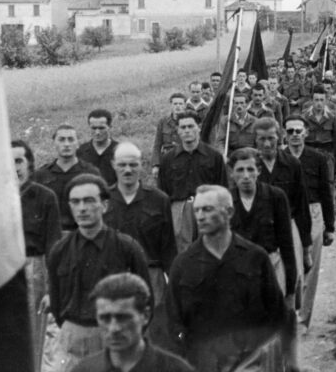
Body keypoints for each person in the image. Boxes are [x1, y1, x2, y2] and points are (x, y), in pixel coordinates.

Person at [166, 185, 286, 372]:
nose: (200, 216)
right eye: (196, 210)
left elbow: (276, 316)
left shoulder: (255, 257)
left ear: (229, 212)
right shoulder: (183, 265)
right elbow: (173, 324)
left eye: (208, 209)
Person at [44, 174, 151, 371]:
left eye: (89, 200)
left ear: (104, 206)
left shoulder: (127, 248)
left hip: (115, 336)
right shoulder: (60, 250)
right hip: (72, 340)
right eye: (75, 202)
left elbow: (145, 299)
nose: (82, 208)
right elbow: (57, 302)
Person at [69, 273, 194, 372]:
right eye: (105, 318)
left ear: (145, 316)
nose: (114, 328)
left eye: (123, 318)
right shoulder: (84, 370)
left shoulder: (176, 369)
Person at [105, 142, 177, 306]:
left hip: (151, 277)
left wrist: (172, 282)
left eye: (133, 164)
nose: (128, 170)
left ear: (141, 165)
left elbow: (169, 248)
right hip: (113, 277)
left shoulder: (159, 200)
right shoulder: (103, 200)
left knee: (153, 328)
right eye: (122, 165)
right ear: (113, 165)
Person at [12, 140, 61, 370]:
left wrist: (52, 288)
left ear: (29, 164)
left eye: (18, 161)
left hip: (35, 270)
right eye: (8, 162)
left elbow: (53, 244)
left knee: (36, 334)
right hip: (4, 271)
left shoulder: (45, 197)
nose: (14, 167)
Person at [283, 116, 335, 328]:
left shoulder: (318, 159)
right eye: (290, 131)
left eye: (298, 131)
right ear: (284, 134)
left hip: (313, 212)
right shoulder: (279, 159)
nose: (294, 135)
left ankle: (303, 320)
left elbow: (326, 193)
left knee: (310, 266)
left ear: (306, 133)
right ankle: (288, 313)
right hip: (287, 214)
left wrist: (329, 227)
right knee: (289, 266)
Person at [228, 148, 296, 305]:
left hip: (270, 268)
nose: (245, 176)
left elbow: (287, 245)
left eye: (250, 169)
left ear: (258, 170)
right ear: (231, 172)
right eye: (240, 170)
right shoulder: (225, 200)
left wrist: (290, 290)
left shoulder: (276, 197)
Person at [252, 117, 313, 281]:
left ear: (279, 137)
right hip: (259, 232)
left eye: (271, 138)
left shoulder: (292, 164)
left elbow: (301, 205)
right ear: (255, 141)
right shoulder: (250, 168)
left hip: (288, 228)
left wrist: (306, 246)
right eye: (261, 139)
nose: (266, 144)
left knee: (292, 278)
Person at [158, 111, 227, 253]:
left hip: (208, 207)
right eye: (183, 128)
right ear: (178, 130)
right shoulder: (168, 159)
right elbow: (163, 191)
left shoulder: (214, 157)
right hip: (180, 209)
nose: (187, 131)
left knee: (210, 248)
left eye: (190, 126)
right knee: (183, 251)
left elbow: (222, 187)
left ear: (199, 127)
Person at [33, 124, 102, 232]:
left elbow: (100, 207)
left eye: (70, 139)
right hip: (51, 236)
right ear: (54, 143)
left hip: (83, 235)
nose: (66, 144)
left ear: (77, 143)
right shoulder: (41, 175)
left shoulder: (91, 173)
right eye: (61, 140)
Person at [303, 85, 336, 204]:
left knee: (328, 184)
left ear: (326, 100)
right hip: (309, 155)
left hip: (327, 155)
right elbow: (300, 139)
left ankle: (329, 214)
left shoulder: (331, 117)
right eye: (316, 100)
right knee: (309, 184)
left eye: (321, 100)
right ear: (312, 101)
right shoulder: (305, 117)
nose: (319, 103)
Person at [76, 109, 119, 186]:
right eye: (94, 128)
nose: (97, 132)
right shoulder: (80, 152)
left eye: (101, 128)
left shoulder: (120, 151)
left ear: (110, 127)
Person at [151, 93, 187, 178]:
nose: (178, 106)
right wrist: (156, 165)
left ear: (185, 105)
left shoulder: (189, 121)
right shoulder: (163, 122)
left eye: (180, 104)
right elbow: (157, 145)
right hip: (167, 160)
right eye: (175, 104)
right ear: (171, 105)